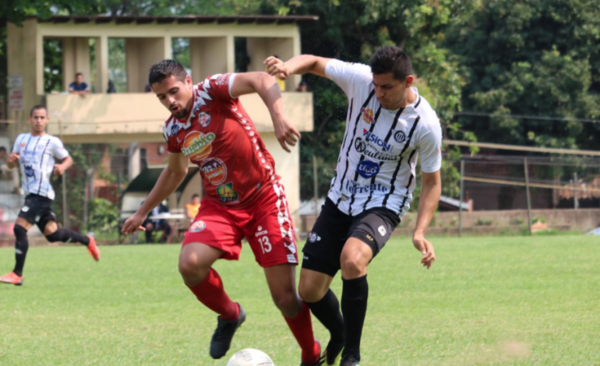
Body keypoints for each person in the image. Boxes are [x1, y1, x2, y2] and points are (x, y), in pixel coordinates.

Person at [121, 60, 324, 366]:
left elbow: (259, 79)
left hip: (264, 198)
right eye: (162, 97)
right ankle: (230, 315)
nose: (170, 102)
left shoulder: (212, 91)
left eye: (174, 92)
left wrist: (279, 117)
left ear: (188, 82)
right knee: (190, 265)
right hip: (221, 206)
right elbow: (176, 173)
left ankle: (311, 353)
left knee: (284, 298)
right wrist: (142, 211)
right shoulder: (173, 129)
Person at [264, 46, 442, 366]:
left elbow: (432, 182)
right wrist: (288, 67)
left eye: (387, 87)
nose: (379, 93)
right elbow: (316, 62)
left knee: (352, 259)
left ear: (408, 81)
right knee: (310, 290)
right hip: (340, 197)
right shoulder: (361, 80)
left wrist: (420, 231)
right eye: (376, 85)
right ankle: (340, 332)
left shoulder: (425, 124)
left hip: (384, 202)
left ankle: (352, 356)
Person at [0, 105, 100, 286]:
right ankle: (87, 240)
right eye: (36, 117)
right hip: (30, 194)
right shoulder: (21, 140)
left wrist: (62, 167)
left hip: (42, 194)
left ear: (47, 120)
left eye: (42, 118)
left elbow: (68, 159)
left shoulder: (52, 141)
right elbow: (11, 166)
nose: (39, 121)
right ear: (30, 119)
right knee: (53, 235)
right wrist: (10, 162)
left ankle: (17, 274)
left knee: (19, 228)